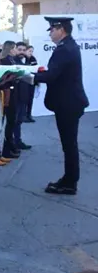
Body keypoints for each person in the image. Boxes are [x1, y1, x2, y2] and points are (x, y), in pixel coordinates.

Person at [34, 17, 89, 195]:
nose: (50, 33)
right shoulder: (68, 46)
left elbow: (52, 76)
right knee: (69, 145)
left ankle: (70, 183)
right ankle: (69, 179)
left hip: (68, 104)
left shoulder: (64, 49)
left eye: (52, 29)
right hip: (70, 102)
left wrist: (29, 77)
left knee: (69, 145)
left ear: (61, 29)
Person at [25, 45, 38, 122]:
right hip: (25, 81)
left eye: (32, 51)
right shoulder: (23, 59)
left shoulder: (33, 59)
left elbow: (36, 69)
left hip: (32, 81)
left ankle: (29, 115)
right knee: (25, 98)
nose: (31, 53)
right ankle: (23, 115)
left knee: (30, 99)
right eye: (29, 51)